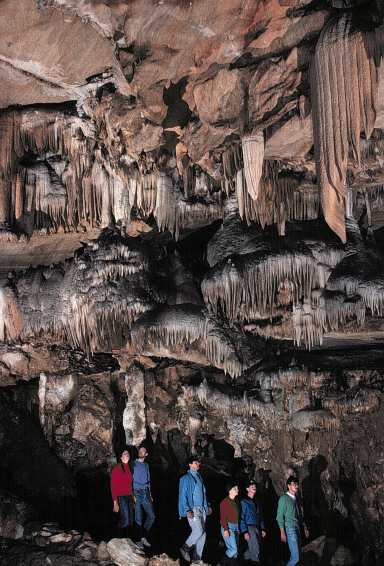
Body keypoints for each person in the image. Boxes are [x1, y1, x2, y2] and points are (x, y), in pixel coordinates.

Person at [178, 455, 212, 564]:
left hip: (202, 509)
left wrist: (207, 506)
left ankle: (196, 559)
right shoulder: (185, 478)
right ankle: (184, 548)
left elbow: (203, 494)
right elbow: (182, 496)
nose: (198, 464)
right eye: (196, 462)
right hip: (193, 509)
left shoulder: (199, 477)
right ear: (190, 464)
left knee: (203, 534)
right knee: (198, 531)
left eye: (198, 463)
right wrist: (187, 509)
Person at [276, 476, 309, 566]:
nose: (296, 486)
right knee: (296, 557)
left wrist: (305, 527)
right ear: (289, 486)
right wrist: (282, 532)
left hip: (297, 527)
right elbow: (279, 517)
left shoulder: (296, 500)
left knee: (299, 555)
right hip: (290, 528)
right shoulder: (284, 498)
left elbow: (300, 515)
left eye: (297, 484)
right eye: (294, 484)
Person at [132, 446, 155, 549]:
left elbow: (148, 479)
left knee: (152, 516)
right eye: (140, 450)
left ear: (146, 454)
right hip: (136, 492)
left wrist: (150, 493)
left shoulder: (146, 465)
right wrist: (132, 494)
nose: (141, 452)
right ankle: (138, 540)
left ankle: (143, 537)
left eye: (143, 451)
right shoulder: (133, 464)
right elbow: (128, 480)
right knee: (138, 518)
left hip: (146, 492)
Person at [240, 479, 266, 564]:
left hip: (257, 527)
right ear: (247, 489)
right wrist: (245, 532)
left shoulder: (257, 501)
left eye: (255, 486)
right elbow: (241, 517)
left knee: (253, 548)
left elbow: (261, 516)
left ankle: (241, 558)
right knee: (256, 549)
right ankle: (255, 562)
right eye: (252, 486)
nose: (254, 487)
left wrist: (263, 529)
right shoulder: (244, 501)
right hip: (249, 527)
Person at [111, 449, 134, 537]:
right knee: (126, 520)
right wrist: (115, 502)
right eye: (124, 453)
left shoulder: (130, 468)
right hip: (121, 497)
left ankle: (128, 538)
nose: (127, 455)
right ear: (121, 457)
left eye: (128, 453)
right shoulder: (117, 468)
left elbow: (130, 485)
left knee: (131, 520)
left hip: (129, 496)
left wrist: (133, 496)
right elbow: (113, 486)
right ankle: (117, 538)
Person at [219, 481, 240, 565]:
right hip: (228, 527)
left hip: (235, 527)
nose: (237, 489)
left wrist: (238, 528)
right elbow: (223, 518)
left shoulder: (236, 502)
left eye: (237, 488)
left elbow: (237, 517)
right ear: (229, 491)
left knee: (235, 553)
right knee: (233, 549)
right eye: (235, 488)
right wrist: (225, 529)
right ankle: (220, 564)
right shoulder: (224, 502)